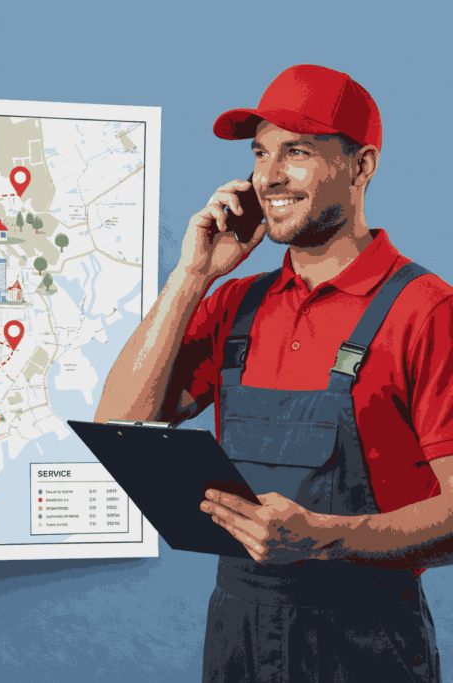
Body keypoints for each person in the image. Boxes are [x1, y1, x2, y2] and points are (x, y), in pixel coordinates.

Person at [93, 64, 453, 682]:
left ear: (362, 166)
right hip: (236, 632)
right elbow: (121, 423)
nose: (270, 176)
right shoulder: (236, 305)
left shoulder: (427, 312)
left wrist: (325, 536)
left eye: (298, 152)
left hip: (366, 642)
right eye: (260, 152)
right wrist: (192, 277)